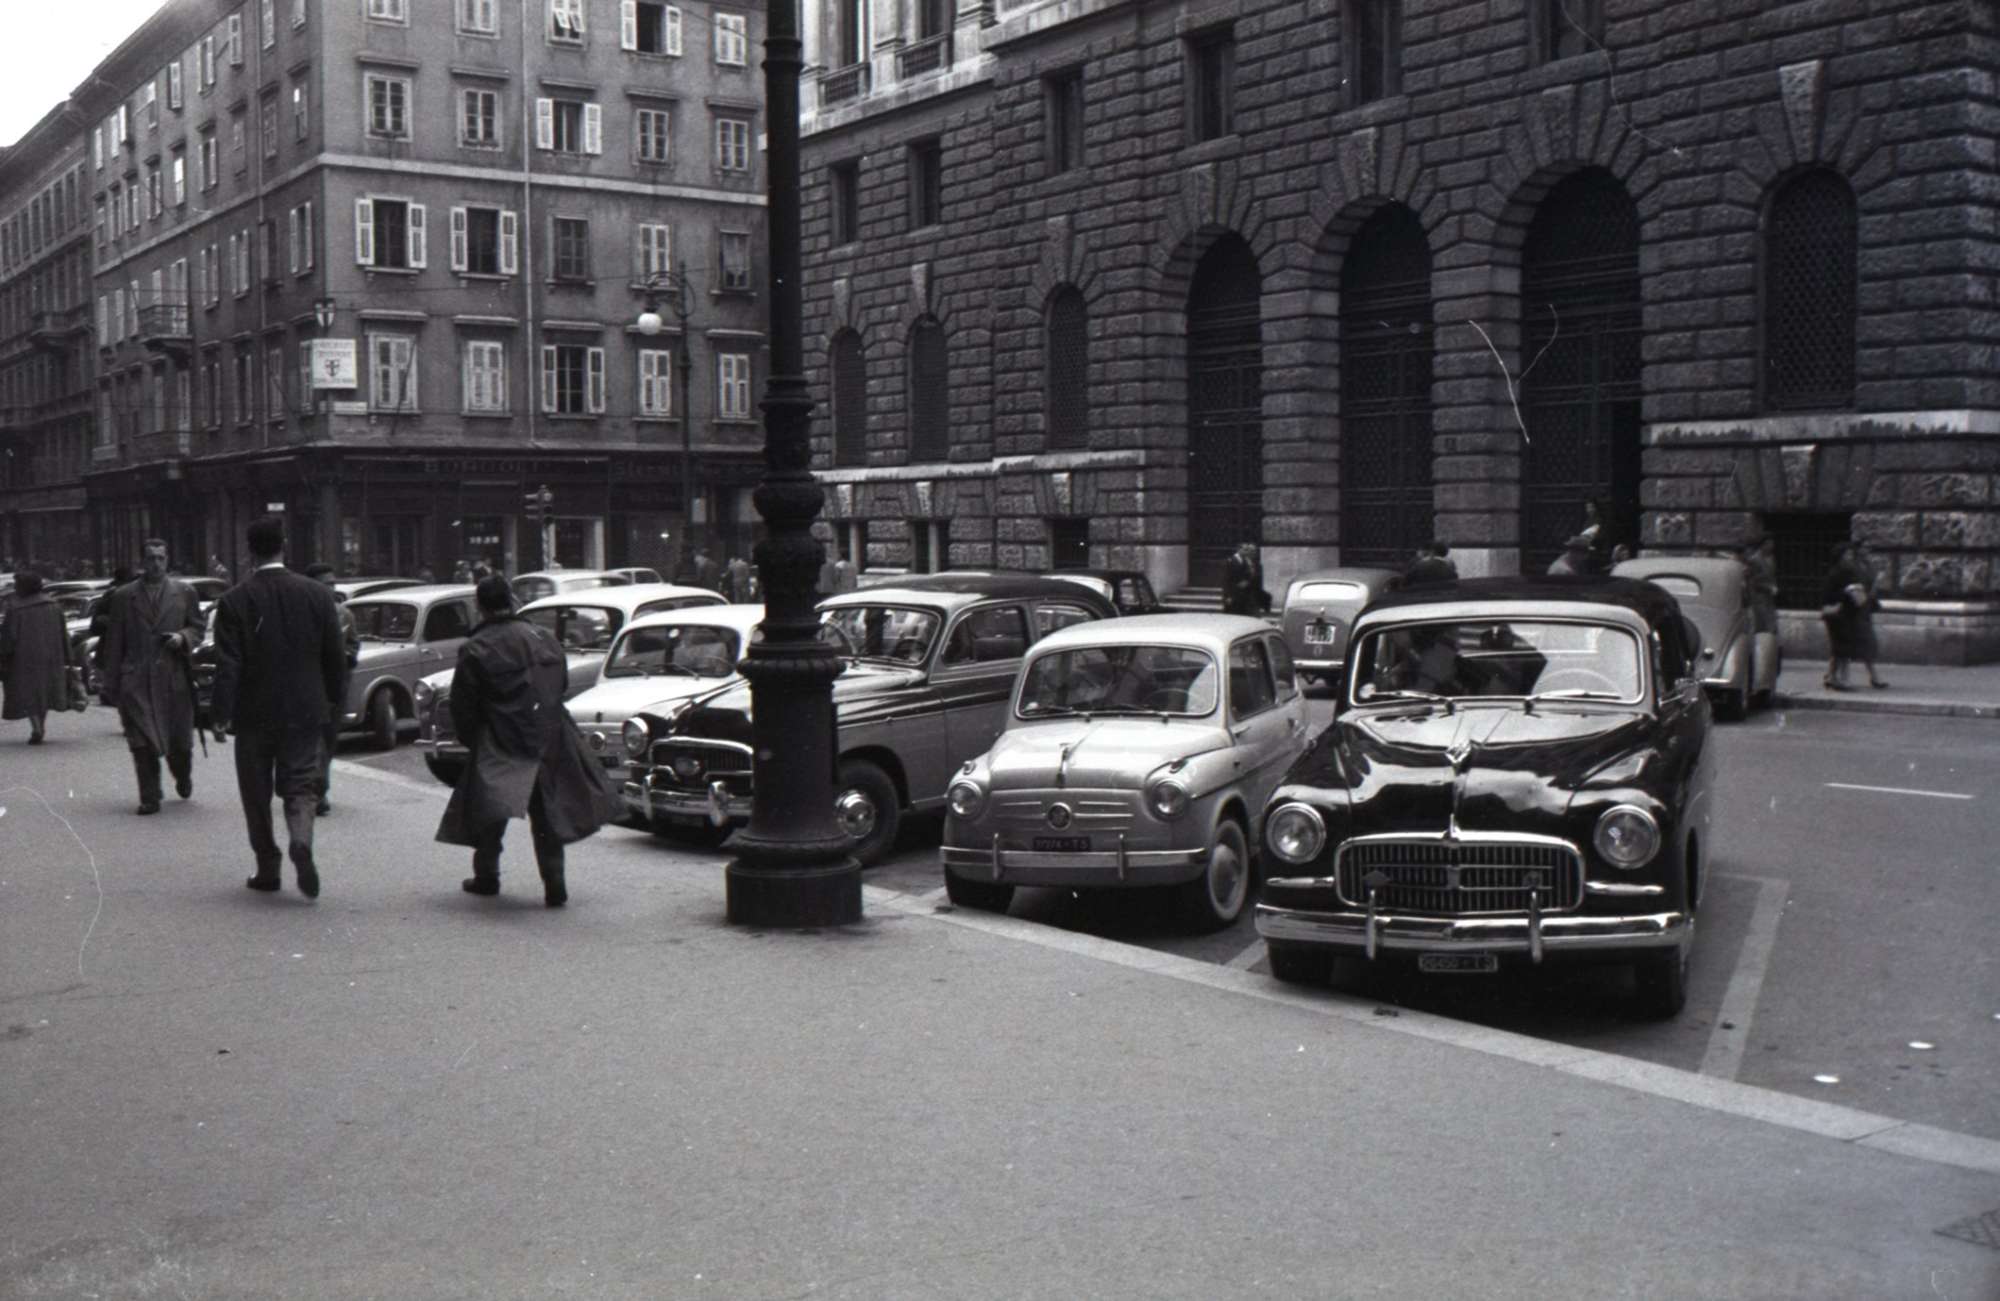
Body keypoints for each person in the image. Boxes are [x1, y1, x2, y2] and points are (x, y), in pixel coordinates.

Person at [436, 575, 619, 906]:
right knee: (548, 814)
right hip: (548, 735)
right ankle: (554, 883)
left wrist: (475, 740)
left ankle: (487, 876)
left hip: (501, 738)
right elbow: (560, 684)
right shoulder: (543, 637)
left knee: (490, 809)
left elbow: (463, 706)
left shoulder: (476, 647)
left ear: (480, 606)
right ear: (511, 600)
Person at [211, 519, 350, 899]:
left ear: (249, 551)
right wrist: (331, 701)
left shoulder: (235, 600)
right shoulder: (317, 595)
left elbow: (228, 664)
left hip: (253, 712)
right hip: (305, 708)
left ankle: (267, 867)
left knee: (255, 793)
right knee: (301, 784)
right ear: (283, 545)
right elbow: (334, 658)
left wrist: (220, 713)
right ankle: (301, 838)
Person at [100, 538, 207, 815]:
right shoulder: (124, 596)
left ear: (167, 559)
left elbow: (198, 627)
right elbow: (115, 641)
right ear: (142, 561)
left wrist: (182, 638)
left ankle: (182, 774)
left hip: (174, 678)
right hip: (137, 678)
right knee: (140, 741)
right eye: (151, 558)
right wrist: (111, 683)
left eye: (161, 558)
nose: (156, 564)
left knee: (179, 744)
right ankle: (149, 796)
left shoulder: (184, 592)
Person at [304, 562, 361, 814]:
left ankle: (318, 788)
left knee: (328, 740)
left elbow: (354, 645)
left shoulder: (344, 614)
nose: (331, 588)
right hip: (310, 685)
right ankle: (317, 792)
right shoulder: (301, 613)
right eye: (326, 584)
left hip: (336, 686)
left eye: (333, 584)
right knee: (313, 739)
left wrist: (346, 656)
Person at [1, 570, 73, 744]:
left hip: (24, 657)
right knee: (45, 691)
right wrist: (68, 655)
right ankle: (41, 724)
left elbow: (9, 637)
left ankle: (36, 727)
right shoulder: (54, 606)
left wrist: (4, 654)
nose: (15, 588)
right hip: (52, 656)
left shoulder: (16, 609)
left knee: (29, 692)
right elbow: (63, 633)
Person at [1820, 543, 1865, 692]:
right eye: (1847, 555)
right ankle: (1843, 679)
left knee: (1840, 648)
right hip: (1836, 615)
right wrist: (1845, 592)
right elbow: (1827, 596)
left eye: (1851, 554)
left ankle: (1832, 677)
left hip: (1847, 614)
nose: (1850, 557)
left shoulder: (1850, 572)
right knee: (1842, 648)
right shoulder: (1834, 574)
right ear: (1840, 557)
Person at [1851, 543, 1889, 689]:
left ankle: (1874, 677)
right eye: (1865, 547)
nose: (1868, 550)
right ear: (1858, 549)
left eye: (1869, 547)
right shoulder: (1855, 566)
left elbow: (1872, 589)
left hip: (1864, 609)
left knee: (1864, 643)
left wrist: (1877, 582)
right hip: (1856, 609)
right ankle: (1833, 675)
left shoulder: (1868, 565)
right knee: (1850, 644)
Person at [1223, 541, 1268, 615]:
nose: (1248, 552)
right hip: (1234, 594)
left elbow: (1253, 579)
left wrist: (1247, 581)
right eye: (1246, 550)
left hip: (1246, 596)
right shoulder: (1231, 561)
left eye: (1253, 551)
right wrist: (1228, 596)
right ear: (1239, 549)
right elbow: (1227, 580)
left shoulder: (1248, 562)